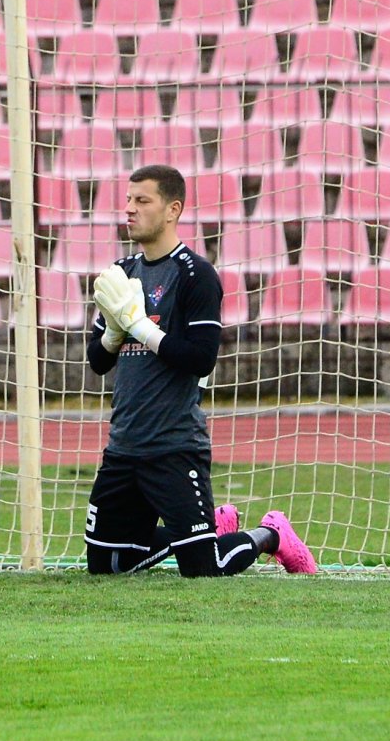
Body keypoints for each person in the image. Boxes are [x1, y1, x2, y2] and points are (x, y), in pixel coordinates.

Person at [84, 164, 317, 576]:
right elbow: (98, 362)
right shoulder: (121, 274)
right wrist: (114, 332)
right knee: (108, 566)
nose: (129, 210)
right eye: (127, 200)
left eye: (142, 201)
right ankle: (211, 526)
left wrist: (139, 327)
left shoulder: (196, 275)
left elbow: (200, 358)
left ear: (172, 209)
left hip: (173, 447)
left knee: (202, 568)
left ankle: (272, 534)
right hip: (123, 448)